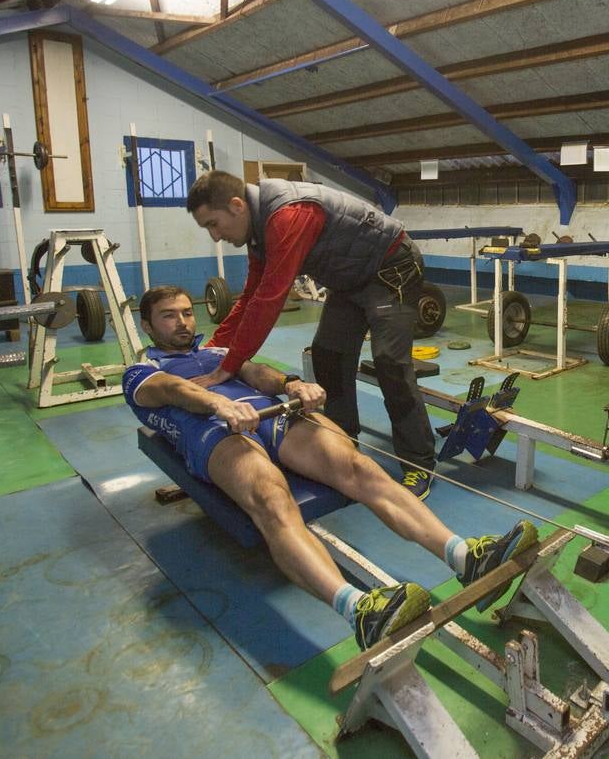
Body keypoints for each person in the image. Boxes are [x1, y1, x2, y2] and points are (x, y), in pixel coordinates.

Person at [122, 285, 537, 650]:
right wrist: (220, 403)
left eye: (186, 312)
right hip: (217, 431)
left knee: (360, 467)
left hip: (270, 414)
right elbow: (170, 391)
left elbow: (254, 371)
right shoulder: (142, 371)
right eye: (168, 316)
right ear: (147, 326)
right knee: (271, 497)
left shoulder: (215, 351)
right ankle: (360, 611)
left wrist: (291, 385)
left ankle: (464, 556)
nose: (181, 322)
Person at [185, 170, 437, 499]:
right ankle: (343, 443)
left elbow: (270, 298)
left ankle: (418, 462)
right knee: (327, 354)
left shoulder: (288, 214)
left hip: (392, 268)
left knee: (389, 361)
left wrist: (228, 367)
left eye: (213, 224)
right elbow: (250, 297)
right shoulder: (259, 230)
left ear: (236, 206)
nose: (216, 236)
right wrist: (214, 352)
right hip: (349, 278)